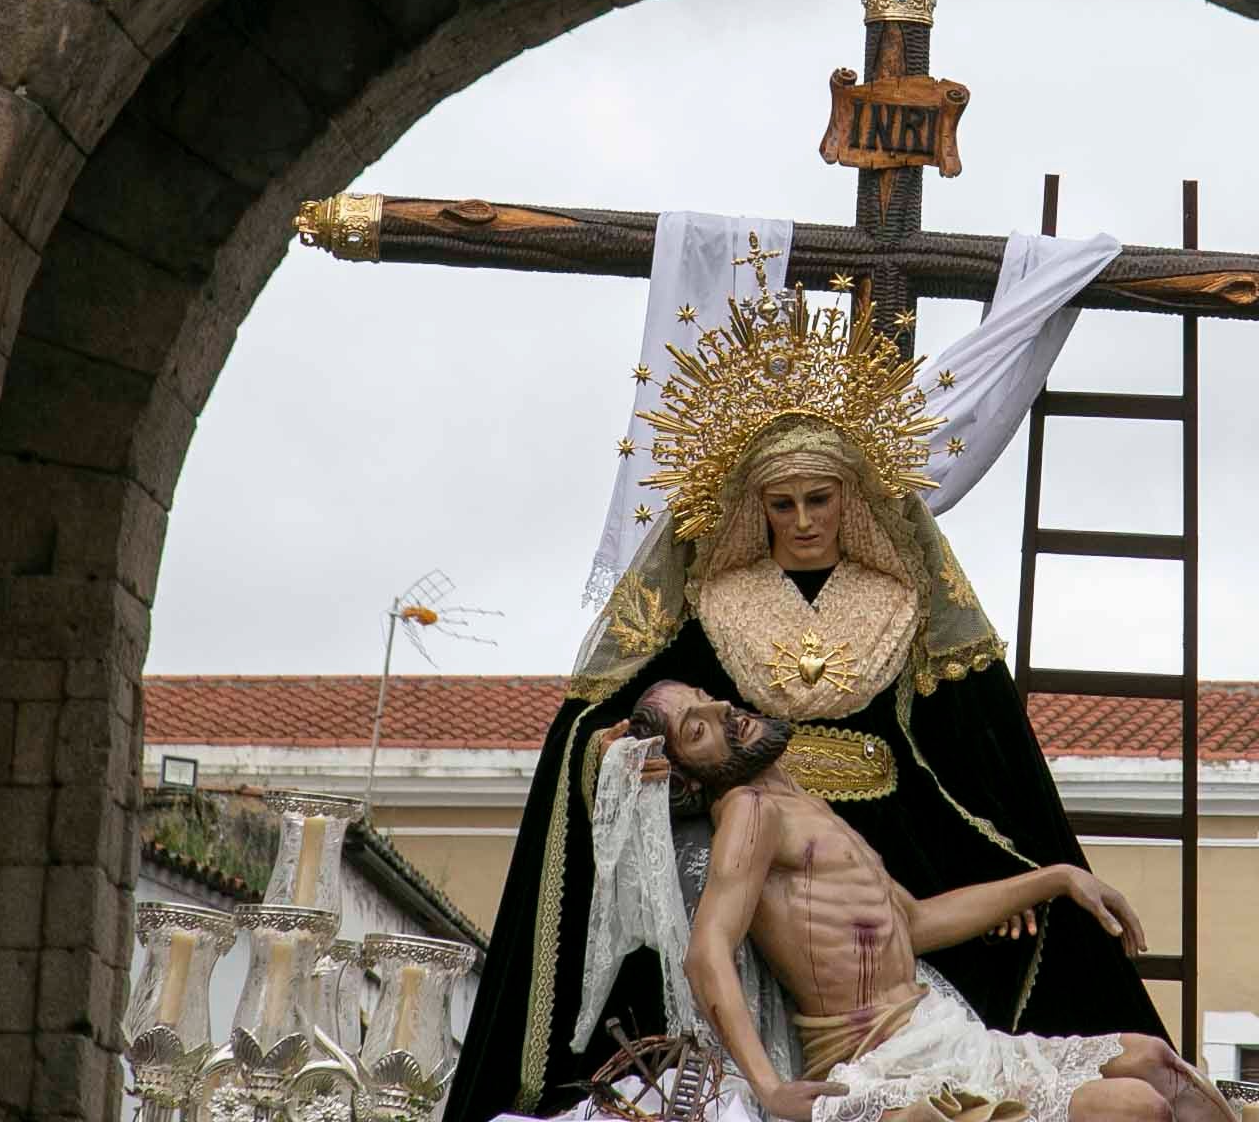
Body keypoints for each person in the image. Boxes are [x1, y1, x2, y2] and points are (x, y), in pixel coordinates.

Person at [449, 295, 1164, 1121]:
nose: (802, 523)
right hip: (758, 842)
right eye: (781, 506)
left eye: (818, 500)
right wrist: (618, 751)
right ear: (753, 508)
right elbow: (624, 711)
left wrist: (1031, 867)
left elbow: (974, 742)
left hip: (892, 837)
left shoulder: (901, 594)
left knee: (1055, 1002)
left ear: (851, 498)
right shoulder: (712, 600)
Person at [636, 680, 1230, 1122]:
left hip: (942, 1035)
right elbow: (706, 952)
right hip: (884, 1063)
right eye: (697, 728)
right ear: (687, 778)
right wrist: (770, 1089)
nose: (724, 712)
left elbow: (914, 924)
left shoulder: (800, 805)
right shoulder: (749, 811)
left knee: (1156, 1061)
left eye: (708, 698)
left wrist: (1056, 878)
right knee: (1134, 1107)